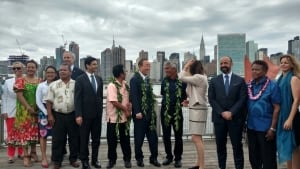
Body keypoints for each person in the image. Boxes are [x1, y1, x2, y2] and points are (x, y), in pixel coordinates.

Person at [208, 56, 247, 169]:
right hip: (219, 119)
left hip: (235, 119)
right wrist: (222, 112)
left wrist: (231, 112)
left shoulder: (240, 80)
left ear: (231, 64)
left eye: (226, 63)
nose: (223, 65)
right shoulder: (214, 80)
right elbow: (211, 99)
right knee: (220, 147)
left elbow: (242, 99)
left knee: (237, 146)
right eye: (221, 63)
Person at [247, 60, 280, 169]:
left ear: (265, 71)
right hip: (251, 127)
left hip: (266, 128)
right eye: (252, 69)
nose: (254, 71)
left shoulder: (272, 86)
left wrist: (272, 128)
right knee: (253, 158)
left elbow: (277, 108)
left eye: (257, 69)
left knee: (268, 159)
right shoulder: (249, 86)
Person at [46, 63, 80, 169]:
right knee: (58, 139)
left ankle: (73, 159)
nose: (61, 72)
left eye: (64, 70)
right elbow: (49, 101)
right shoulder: (53, 85)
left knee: (74, 139)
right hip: (58, 115)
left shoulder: (77, 84)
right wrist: (50, 115)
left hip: (73, 115)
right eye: (60, 70)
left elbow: (80, 100)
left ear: (70, 72)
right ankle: (57, 161)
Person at [8, 60, 40, 167]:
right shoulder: (21, 80)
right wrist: (28, 107)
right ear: (26, 68)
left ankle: (33, 152)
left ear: (36, 68)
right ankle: (26, 156)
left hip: (36, 111)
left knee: (35, 132)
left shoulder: (39, 80)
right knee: (25, 133)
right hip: (24, 111)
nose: (31, 69)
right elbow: (19, 95)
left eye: (33, 67)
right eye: (29, 67)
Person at [130, 58, 161, 167]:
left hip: (150, 114)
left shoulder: (148, 80)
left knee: (153, 138)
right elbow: (133, 96)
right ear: (140, 66)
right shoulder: (135, 79)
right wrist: (137, 111)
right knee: (139, 139)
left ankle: (154, 158)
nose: (149, 67)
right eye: (146, 65)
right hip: (139, 115)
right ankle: (139, 158)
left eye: (149, 65)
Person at [74, 56, 103, 169]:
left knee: (96, 139)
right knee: (84, 139)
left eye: (96, 64)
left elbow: (100, 97)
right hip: (85, 116)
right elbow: (77, 99)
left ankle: (94, 160)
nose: (96, 66)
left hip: (97, 115)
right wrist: (78, 115)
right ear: (87, 65)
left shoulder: (99, 79)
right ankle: (84, 160)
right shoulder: (80, 79)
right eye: (94, 64)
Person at [179, 59, 208, 169]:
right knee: (198, 137)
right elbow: (196, 93)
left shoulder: (199, 78)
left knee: (195, 138)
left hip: (198, 110)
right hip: (196, 107)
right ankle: (199, 164)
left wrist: (185, 66)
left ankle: (202, 166)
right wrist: (189, 100)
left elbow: (181, 77)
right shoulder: (199, 78)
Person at [160, 61, 187, 168]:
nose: (165, 70)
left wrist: (184, 101)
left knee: (178, 136)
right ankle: (169, 156)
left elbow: (184, 96)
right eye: (165, 68)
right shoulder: (163, 82)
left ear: (174, 70)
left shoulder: (182, 82)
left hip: (177, 113)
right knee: (166, 136)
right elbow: (163, 94)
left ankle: (178, 158)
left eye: (167, 69)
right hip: (165, 113)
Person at [106, 64, 132, 168]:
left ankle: (127, 160)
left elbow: (128, 98)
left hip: (124, 118)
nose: (125, 73)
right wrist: (126, 110)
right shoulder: (112, 85)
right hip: (113, 119)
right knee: (112, 142)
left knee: (125, 140)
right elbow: (114, 102)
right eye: (124, 71)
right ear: (121, 74)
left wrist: (129, 107)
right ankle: (112, 160)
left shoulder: (125, 84)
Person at [277, 54, 300, 169]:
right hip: (282, 116)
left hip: (292, 117)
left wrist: (290, 119)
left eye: (286, 62)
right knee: (287, 147)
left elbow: (296, 101)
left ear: (292, 64)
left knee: (295, 147)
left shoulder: (294, 78)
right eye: (281, 62)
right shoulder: (280, 79)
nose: (283, 64)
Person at [0, 62, 24, 163]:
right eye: (14, 69)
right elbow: (4, 97)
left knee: (22, 133)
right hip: (10, 110)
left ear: (23, 69)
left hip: (23, 111)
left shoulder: (26, 80)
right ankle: (10, 154)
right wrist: (4, 111)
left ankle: (21, 152)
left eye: (18, 68)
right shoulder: (8, 82)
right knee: (11, 134)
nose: (16, 70)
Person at [36, 65, 58, 168]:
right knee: (43, 136)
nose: (50, 74)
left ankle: (55, 156)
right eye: (48, 72)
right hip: (43, 111)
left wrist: (54, 112)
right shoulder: (41, 85)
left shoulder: (59, 84)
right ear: (45, 73)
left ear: (55, 74)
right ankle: (44, 157)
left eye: (52, 72)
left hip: (57, 111)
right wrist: (46, 113)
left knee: (56, 136)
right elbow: (38, 101)